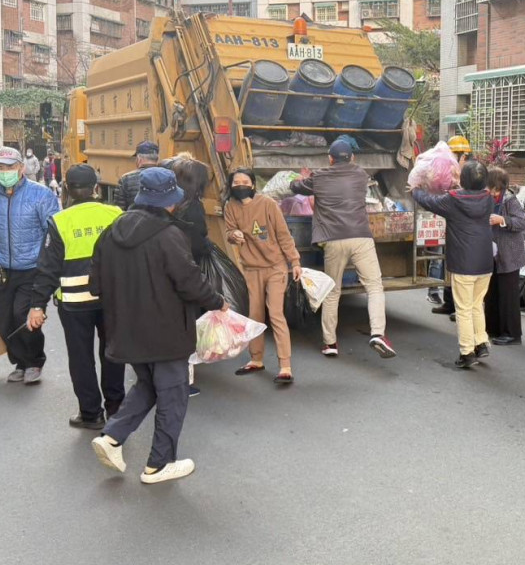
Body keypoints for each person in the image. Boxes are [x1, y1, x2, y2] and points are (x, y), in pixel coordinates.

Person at [89, 167, 226, 484]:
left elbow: (96, 285)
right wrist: (217, 301)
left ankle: (112, 437)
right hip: (166, 332)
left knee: (147, 386)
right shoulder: (169, 235)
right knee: (174, 394)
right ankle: (159, 464)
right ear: (169, 202)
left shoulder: (110, 233)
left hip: (126, 331)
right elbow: (189, 281)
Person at [27, 164, 124, 428]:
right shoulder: (116, 214)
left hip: (74, 303)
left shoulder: (60, 221)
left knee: (81, 358)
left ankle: (91, 414)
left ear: (67, 188)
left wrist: (38, 306)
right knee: (113, 354)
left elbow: (48, 268)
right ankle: (116, 409)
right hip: (112, 299)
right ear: (96, 187)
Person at [289, 140, 395, 359]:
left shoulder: (319, 177)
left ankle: (330, 343)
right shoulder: (360, 175)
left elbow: (296, 187)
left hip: (334, 239)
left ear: (330, 158)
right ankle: (377, 333)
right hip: (361, 238)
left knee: (332, 291)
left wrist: (300, 178)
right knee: (374, 287)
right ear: (352, 158)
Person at [0, 146, 61, 384]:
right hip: (1, 269)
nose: (5, 172)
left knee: (22, 316)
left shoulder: (41, 195)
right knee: (4, 321)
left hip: (31, 269)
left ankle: (34, 361)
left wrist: (49, 267)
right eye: (0, 168)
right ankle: (19, 363)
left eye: (10, 167)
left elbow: (52, 234)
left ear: (21, 167)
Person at [412, 160, 495, 368]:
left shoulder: (454, 200)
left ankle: (467, 352)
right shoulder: (488, 199)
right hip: (485, 263)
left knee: (464, 309)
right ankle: (481, 342)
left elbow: (430, 201)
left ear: (464, 181)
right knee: (477, 304)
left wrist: (415, 190)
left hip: (464, 262)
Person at [224, 169, 302, 383]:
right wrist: (234, 235)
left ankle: (285, 365)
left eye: (245, 181)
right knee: (254, 315)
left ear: (252, 185)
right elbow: (229, 231)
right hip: (251, 269)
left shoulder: (268, 204)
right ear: (231, 186)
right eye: (236, 182)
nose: (240, 185)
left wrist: (294, 261)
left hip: (275, 267)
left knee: (276, 313)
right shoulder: (230, 207)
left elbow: (283, 234)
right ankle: (256, 360)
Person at [165, 156, 213, 397]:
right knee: (187, 324)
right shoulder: (193, 206)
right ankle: (183, 381)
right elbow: (197, 240)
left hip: (166, 270)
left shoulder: (169, 201)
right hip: (186, 270)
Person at [430, 135, 474, 314]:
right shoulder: (446, 170)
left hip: (460, 227)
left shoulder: (468, 173)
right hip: (447, 222)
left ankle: (458, 306)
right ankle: (449, 303)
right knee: (449, 262)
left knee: (458, 265)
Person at [484, 167, 525, 346]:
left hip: (509, 254)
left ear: (497, 187)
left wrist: (502, 220)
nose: (488, 190)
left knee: (508, 296)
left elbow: (521, 222)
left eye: (490, 187)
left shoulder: (510, 200)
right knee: (492, 293)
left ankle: (512, 334)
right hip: (494, 253)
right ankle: (493, 329)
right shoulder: (489, 198)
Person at [114, 140, 160, 209]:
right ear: (157, 159)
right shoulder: (169, 176)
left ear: (139, 159)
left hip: (133, 219)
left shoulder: (126, 179)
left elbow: (119, 210)